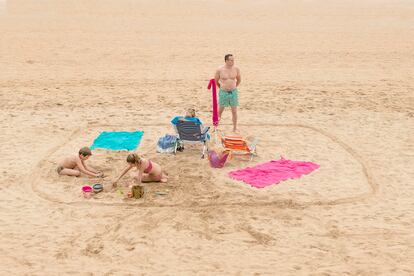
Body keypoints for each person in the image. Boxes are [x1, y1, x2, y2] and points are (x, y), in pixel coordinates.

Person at [214, 54, 241, 132]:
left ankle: (235, 128)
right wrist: (222, 87)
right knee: (220, 111)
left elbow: (239, 80)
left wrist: (234, 87)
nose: (233, 62)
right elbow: (216, 81)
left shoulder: (236, 69)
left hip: (233, 92)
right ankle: (215, 127)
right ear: (226, 61)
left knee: (234, 111)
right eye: (231, 60)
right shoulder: (220, 69)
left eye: (233, 60)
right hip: (223, 92)